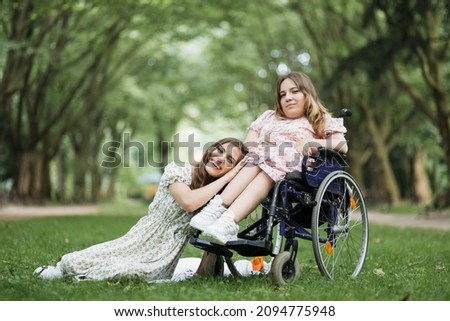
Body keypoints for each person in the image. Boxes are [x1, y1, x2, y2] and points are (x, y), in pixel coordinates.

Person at [34, 137, 248, 282]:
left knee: (127, 271)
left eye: (229, 160)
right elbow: (189, 202)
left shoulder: (219, 196)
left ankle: (85, 278)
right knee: (73, 262)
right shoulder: (180, 169)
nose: (220, 158)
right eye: (219, 151)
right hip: (141, 237)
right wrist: (230, 176)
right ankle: (65, 271)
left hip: (165, 255)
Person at [190, 71, 348, 245]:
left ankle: (225, 219)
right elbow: (248, 145)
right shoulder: (268, 117)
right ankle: (217, 211)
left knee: (267, 159)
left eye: (294, 91)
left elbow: (341, 144)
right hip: (261, 161)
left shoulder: (319, 118)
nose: (288, 98)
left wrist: (311, 141)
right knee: (257, 156)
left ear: (307, 94)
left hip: (298, 168)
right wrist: (265, 141)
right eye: (282, 94)